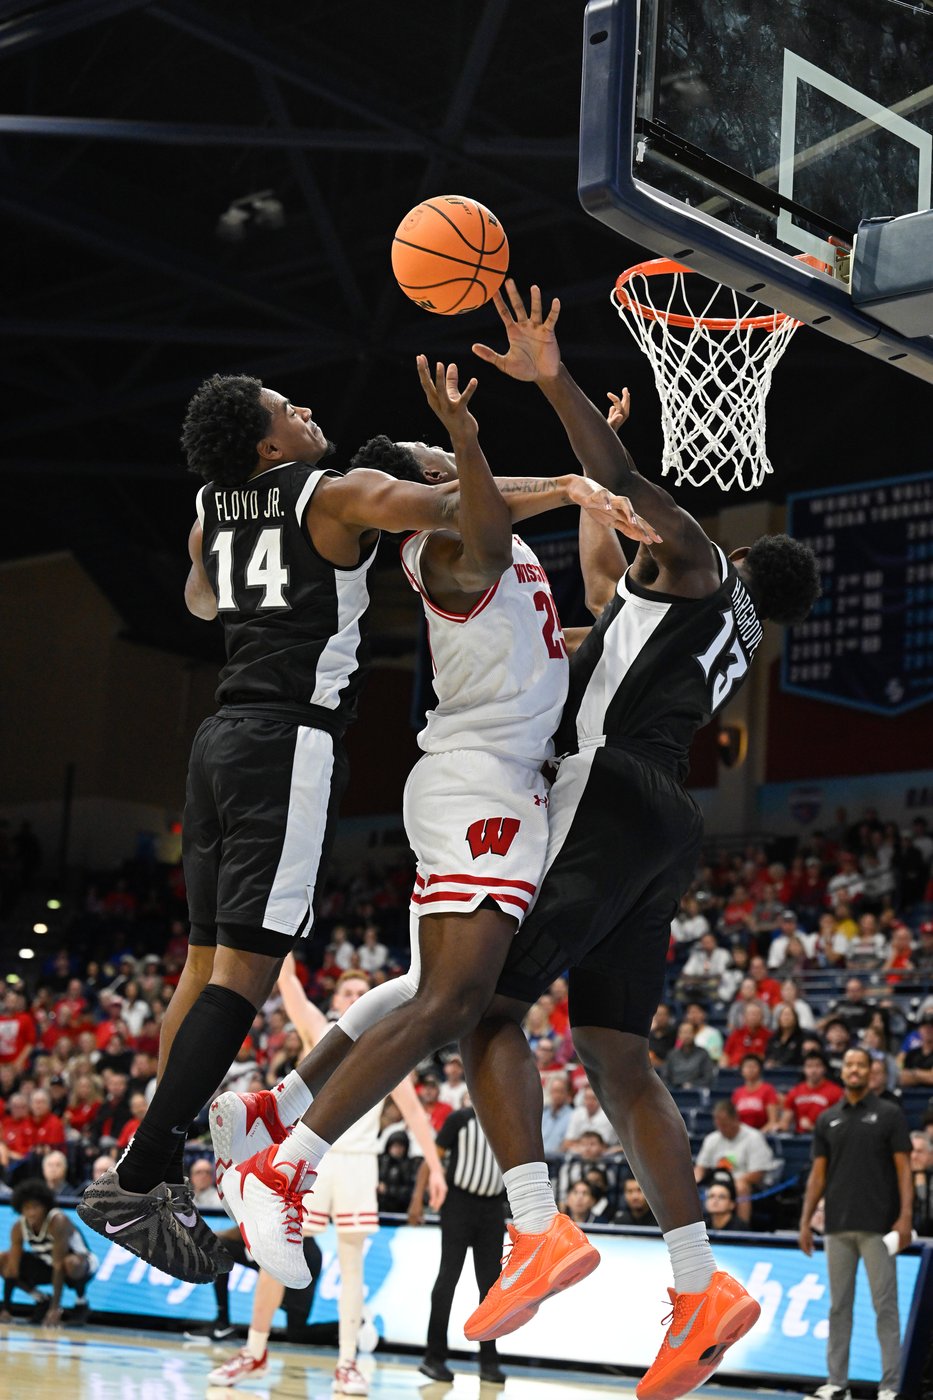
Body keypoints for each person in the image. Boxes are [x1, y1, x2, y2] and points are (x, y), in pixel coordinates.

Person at [78, 363, 637, 1283]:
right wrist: (561, 483)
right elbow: (457, 509)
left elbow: (200, 601)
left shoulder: (210, 510)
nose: (304, 408)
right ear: (268, 443)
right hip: (285, 743)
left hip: (218, 740)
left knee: (203, 967)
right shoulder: (332, 493)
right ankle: (140, 1179)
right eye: (285, 409)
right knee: (245, 978)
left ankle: (158, 1166)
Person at [430, 282, 817, 1396]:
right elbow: (609, 580)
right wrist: (601, 507)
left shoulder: (699, 559)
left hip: (606, 789)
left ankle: (537, 1224)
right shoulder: (720, 629)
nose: (640, 545)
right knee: (616, 1055)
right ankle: (701, 1285)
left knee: (482, 1006)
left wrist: (554, 385)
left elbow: (631, 492)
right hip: (666, 824)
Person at [209, 960, 446, 1395]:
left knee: (353, 1265)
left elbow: (414, 1113)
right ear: (336, 1000)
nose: (354, 997)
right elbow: (289, 984)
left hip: (358, 1163)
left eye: (361, 992)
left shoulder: (388, 1043)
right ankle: (254, 1350)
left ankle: (348, 1362)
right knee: (272, 1253)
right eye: (346, 992)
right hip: (309, 1157)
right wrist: (284, 937)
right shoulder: (321, 1031)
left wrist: (435, 1169)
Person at [799, 1047, 913, 1400]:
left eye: (861, 1065)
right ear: (843, 1070)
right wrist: (805, 1221)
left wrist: (905, 1217)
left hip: (879, 1226)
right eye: (849, 1064)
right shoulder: (827, 1118)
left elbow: (904, 1169)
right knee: (838, 1307)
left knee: (885, 1307)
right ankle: (837, 1383)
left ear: (870, 1071)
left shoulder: (890, 1114)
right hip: (837, 1226)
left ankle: (890, 1386)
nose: (854, 1069)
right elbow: (818, 1175)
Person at [414, 1100, 507, 1387]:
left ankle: (489, 1362)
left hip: (493, 1208)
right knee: (448, 1278)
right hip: (458, 1204)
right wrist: (417, 1200)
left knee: (491, 1287)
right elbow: (432, 1160)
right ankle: (434, 1357)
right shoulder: (460, 1119)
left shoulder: (509, 1122)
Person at [0, 1178, 97, 1327]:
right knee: (4, 1259)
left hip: (83, 1265)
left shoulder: (58, 1221)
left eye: (36, 1207)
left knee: (70, 1263)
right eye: (27, 1208)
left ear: (46, 1206)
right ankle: (41, 1299)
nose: (31, 1213)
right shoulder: (18, 1227)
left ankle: (81, 1303)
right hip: (48, 1263)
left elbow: (59, 1265)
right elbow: (12, 1269)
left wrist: (54, 1309)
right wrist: (6, 1308)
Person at [693, 1101, 776, 1225]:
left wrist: (732, 1184)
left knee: (741, 1187)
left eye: (725, 1125)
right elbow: (700, 1167)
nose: (722, 1129)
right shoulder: (712, 1139)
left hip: (743, 1182)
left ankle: (741, 1227)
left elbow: (758, 1173)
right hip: (716, 1181)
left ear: (735, 1119)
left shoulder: (753, 1137)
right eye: (719, 1125)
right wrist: (694, 1182)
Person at [779, 1051, 844, 1134]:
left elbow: (840, 1122)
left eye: (817, 1066)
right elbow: (785, 1121)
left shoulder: (836, 1092)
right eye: (809, 1066)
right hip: (800, 1138)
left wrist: (814, 1128)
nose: (813, 1070)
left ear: (824, 1069)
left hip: (826, 1137)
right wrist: (780, 1127)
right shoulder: (795, 1091)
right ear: (804, 1069)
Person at [731, 1055, 780, 1131]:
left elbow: (772, 1121)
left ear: (760, 1070)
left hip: (762, 1133)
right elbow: (733, 1120)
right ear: (742, 1071)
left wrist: (758, 1134)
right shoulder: (737, 1092)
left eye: (754, 1066)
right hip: (742, 1134)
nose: (750, 1069)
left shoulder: (768, 1089)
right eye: (747, 1066)